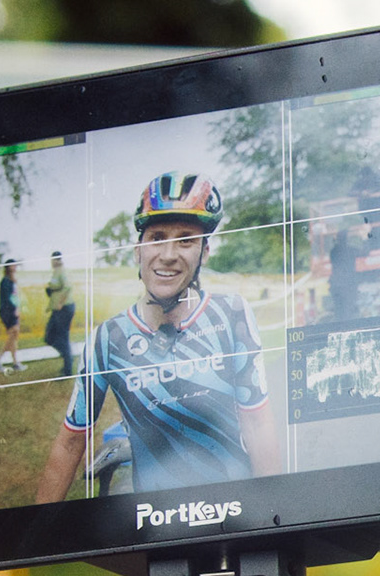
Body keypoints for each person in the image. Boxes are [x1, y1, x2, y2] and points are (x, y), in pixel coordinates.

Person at [36, 172, 282, 503]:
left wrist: (273, 509)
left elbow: (257, 423)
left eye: (186, 240)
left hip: (235, 508)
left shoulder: (232, 315)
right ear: (138, 250)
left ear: (204, 253)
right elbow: (70, 442)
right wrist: (38, 528)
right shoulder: (107, 339)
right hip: (155, 519)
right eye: (157, 237)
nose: (168, 254)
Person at [42, 250, 75, 377]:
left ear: (57, 260)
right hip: (57, 309)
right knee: (49, 337)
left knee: (62, 337)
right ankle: (68, 357)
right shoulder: (56, 272)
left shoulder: (62, 271)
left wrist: (60, 302)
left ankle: (68, 368)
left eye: (55, 260)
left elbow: (67, 287)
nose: (53, 262)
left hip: (64, 308)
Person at [0, 259, 23, 374]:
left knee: (13, 336)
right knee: (13, 334)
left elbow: (15, 296)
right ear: (8, 267)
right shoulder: (5, 281)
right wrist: (14, 309)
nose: (15, 267)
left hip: (12, 310)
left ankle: (15, 362)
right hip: (7, 311)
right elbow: (7, 298)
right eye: (13, 265)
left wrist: (18, 308)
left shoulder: (12, 280)